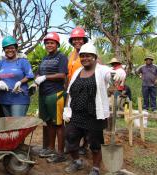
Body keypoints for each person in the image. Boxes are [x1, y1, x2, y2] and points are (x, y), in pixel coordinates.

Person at [63, 43, 125, 175]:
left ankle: (96, 168)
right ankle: (77, 162)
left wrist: (120, 72)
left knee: (95, 144)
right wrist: (66, 109)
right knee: (69, 138)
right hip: (76, 114)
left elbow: (111, 74)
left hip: (94, 115)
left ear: (95, 57)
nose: (85, 58)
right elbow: (69, 91)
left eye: (88, 56)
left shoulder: (101, 70)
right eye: (82, 56)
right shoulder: (78, 72)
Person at [34, 32, 68, 163]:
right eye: (47, 43)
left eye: (52, 43)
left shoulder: (61, 57)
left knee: (58, 124)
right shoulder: (44, 58)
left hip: (55, 94)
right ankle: (50, 148)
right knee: (48, 122)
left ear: (57, 44)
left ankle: (60, 153)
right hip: (44, 94)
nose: (49, 45)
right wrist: (37, 79)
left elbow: (62, 75)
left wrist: (45, 77)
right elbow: (39, 73)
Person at [0, 36, 34, 117]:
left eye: (12, 48)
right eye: (6, 48)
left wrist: (20, 82)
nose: (9, 50)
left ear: (16, 48)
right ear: (4, 50)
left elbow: (30, 76)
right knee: (9, 125)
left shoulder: (23, 62)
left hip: (19, 98)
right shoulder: (0, 63)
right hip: (4, 99)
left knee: (16, 124)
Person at [67, 26, 89, 155]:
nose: (77, 41)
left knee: (86, 119)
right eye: (74, 39)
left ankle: (85, 145)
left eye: (79, 39)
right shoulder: (72, 54)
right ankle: (75, 145)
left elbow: (99, 66)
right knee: (75, 119)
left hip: (86, 90)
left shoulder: (89, 51)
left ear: (84, 40)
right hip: (73, 91)